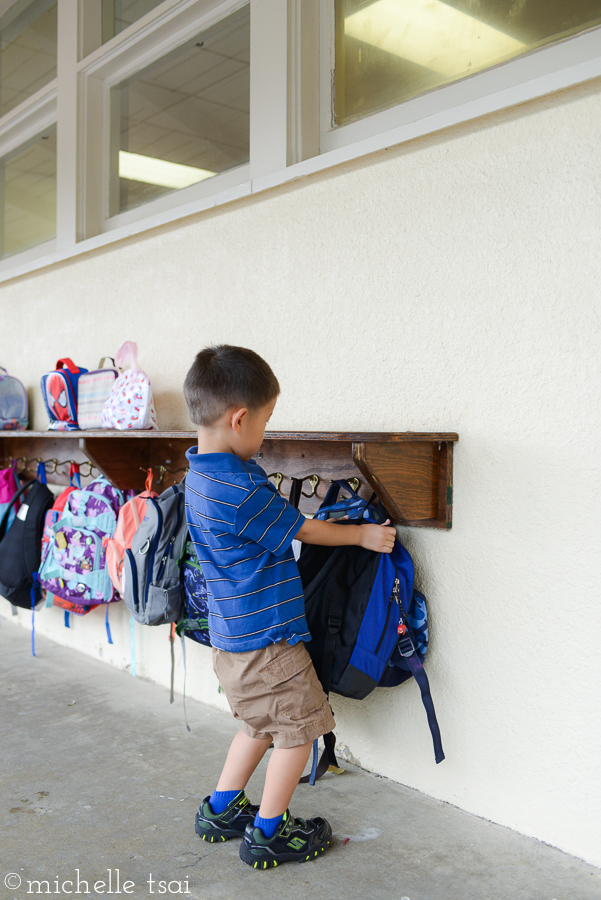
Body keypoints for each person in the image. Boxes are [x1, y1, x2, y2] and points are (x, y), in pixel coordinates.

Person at [183, 345, 396, 869]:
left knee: (258, 724)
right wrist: (363, 535)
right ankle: (269, 832)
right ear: (239, 418)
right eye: (265, 422)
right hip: (270, 643)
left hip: (232, 641)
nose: (265, 436)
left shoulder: (197, 476)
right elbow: (301, 527)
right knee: (298, 730)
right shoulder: (240, 486)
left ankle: (221, 808)